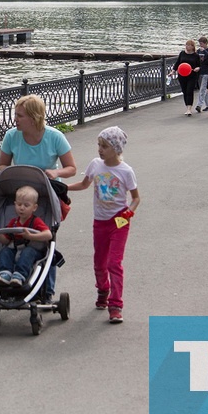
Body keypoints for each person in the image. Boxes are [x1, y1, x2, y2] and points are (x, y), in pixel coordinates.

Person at [0, 94, 76, 300]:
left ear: (33, 118)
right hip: (21, 190)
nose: (15, 119)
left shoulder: (54, 136)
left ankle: (46, 290)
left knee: (46, 242)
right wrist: (10, 175)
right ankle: (9, 277)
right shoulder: (11, 136)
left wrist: (56, 173)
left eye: (19, 116)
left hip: (47, 191)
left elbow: (72, 169)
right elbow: (2, 165)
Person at [66, 126, 139, 324]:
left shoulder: (126, 171)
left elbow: (136, 198)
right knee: (99, 262)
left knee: (113, 263)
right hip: (100, 221)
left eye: (104, 146)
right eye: (99, 145)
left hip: (119, 221)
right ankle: (103, 290)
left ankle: (116, 305)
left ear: (116, 149)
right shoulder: (95, 165)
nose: (100, 149)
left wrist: (128, 213)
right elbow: (84, 184)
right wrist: (63, 187)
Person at [0, 185, 52, 289]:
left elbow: (48, 234)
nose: (21, 208)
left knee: (28, 252)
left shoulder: (36, 221)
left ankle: (20, 275)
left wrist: (31, 236)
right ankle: (5, 273)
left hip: (33, 251)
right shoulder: (14, 222)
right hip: (15, 249)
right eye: (19, 204)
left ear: (34, 208)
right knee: (5, 251)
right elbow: (6, 240)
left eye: (26, 205)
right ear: (15, 204)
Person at [172, 39, 202, 116]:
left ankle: (189, 108)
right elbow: (177, 63)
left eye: (189, 45)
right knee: (184, 91)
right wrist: (173, 71)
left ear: (193, 47)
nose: (187, 46)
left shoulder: (196, 55)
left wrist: (198, 68)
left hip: (192, 76)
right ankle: (187, 106)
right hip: (182, 75)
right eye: (186, 45)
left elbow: (199, 65)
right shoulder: (182, 53)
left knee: (189, 91)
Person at [195, 36, 208, 113]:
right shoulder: (199, 51)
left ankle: (199, 105)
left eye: (201, 44)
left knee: (203, 89)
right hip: (200, 72)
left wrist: (204, 51)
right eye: (199, 44)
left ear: (205, 43)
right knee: (204, 89)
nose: (200, 46)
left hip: (207, 72)